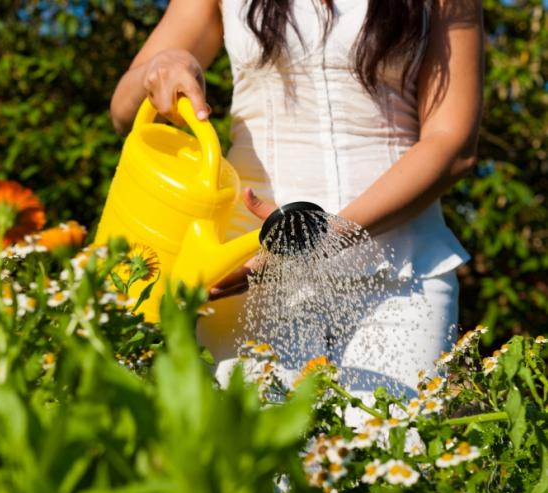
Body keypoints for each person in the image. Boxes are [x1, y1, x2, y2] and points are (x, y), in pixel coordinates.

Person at [109, 0, 482, 396]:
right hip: (251, 273)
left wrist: (319, 238)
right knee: (263, 454)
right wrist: (163, 64)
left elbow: (452, 144)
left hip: (401, 273)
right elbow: (123, 109)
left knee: (400, 451)